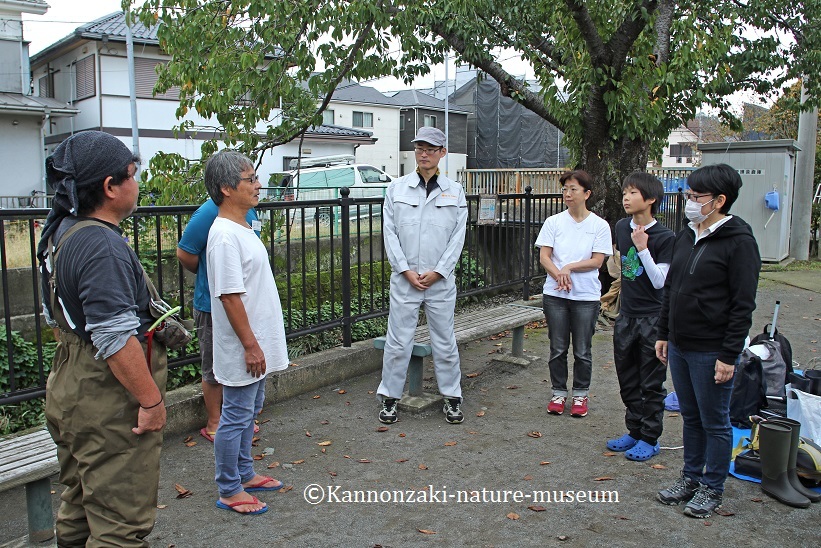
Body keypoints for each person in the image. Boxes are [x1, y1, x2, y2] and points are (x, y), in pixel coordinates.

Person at [37, 131, 167, 546]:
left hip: (71, 384)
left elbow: (62, 317)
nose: (137, 182)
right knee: (118, 524)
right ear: (111, 187)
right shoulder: (100, 245)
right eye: (132, 174)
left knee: (79, 501)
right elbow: (113, 337)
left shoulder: (64, 231)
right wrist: (151, 402)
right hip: (107, 395)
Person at [655, 164, 760, 518]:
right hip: (681, 345)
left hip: (712, 348)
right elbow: (671, 287)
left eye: (695, 196)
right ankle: (690, 477)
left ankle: (712, 488)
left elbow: (742, 304)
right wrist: (664, 333)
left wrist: (729, 355)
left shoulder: (740, 243)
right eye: (688, 194)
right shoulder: (686, 234)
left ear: (719, 201)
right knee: (690, 416)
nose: (689, 201)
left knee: (715, 421)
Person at [204, 150, 289, 515]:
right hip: (244, 346)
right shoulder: (224, 236)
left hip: (257, 343)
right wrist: (251, 346)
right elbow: (228, 296)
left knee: (249, 410)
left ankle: (244, 473)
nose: (258, 185)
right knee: (235, 415)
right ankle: (229, 488)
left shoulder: (242, 226)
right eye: (250, 179)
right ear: (226, 188)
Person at [376, 126, 468, 425]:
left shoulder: (454, 191)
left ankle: (452, 397)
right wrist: (404, 269)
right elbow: (389, 233)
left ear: (442, 153)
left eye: (430, 149)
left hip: (439, 281)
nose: (424, 154)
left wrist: (439, 272)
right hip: (405, 279)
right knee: (397, 341)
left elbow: (458, 238)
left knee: (444, 340)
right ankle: (390, 397)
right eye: (419, 148)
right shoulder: (396, 188)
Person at [177, 199, 260, 442]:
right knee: (214, 364)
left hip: (245, 302)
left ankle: (240, 418)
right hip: (211, 303)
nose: (257, 184)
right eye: (250, 179)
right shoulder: (210, 210)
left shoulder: (248, 208)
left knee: (244, 359)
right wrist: (210, 272)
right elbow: (185, 253)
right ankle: (214, 421)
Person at [607, 173, 675, 461]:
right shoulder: (622, 226)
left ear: (650, 200)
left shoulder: (666, 236)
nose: (625, 197)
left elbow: (661, 281)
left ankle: (650, 437)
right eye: (624, 191)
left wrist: (643, 247)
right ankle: (634, 431)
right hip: (627, 316)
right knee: (627, 378)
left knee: (651, 382)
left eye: (632, 192)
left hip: (653, 320)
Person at [536, 170, 612, 418]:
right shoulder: (554, 222)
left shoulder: (599, 225)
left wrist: (568, 267)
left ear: (587, 194)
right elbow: (544, 256)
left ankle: (580, 394)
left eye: (573, 189)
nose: (568, 194)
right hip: (556, 295)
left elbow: (597, 261)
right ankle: (558, 392)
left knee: (582, 349)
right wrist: (559, 274)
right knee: (557, 347)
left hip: (586, 297)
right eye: (565, 189)